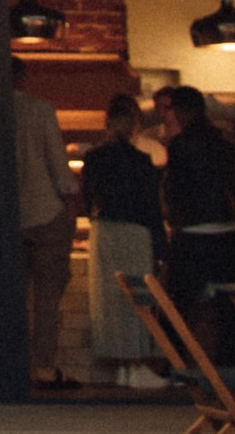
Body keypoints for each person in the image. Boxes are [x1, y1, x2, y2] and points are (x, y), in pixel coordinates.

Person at [78, 93, 163, 381]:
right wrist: (161, 248)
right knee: (137, 299)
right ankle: (136, 365)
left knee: (109, 301)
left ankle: (120, 367)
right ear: (135, 125)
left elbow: (86, 202)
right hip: (136, 233)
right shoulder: (141, 161)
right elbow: (152, 208)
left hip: (104, 233)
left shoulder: (93, 159)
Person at [160, 81, 235, 342]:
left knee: (178, 305)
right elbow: (234, 181)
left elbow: (175, 188)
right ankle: (226, 358)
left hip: (193, 230)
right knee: (227, 307)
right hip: (227, 228)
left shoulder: (180, 144)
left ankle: (176, 357)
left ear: (180, 111)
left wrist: (173, 217)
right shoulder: (224, 141)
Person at [12, 66, 79, 387]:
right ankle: (44, 368)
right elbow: (58, 164)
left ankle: (13, 368)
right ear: (23, 78)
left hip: (10, 218)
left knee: (13, 298)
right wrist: (71, 204)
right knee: (47, 299)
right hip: (46, 212)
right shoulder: (40, 110)